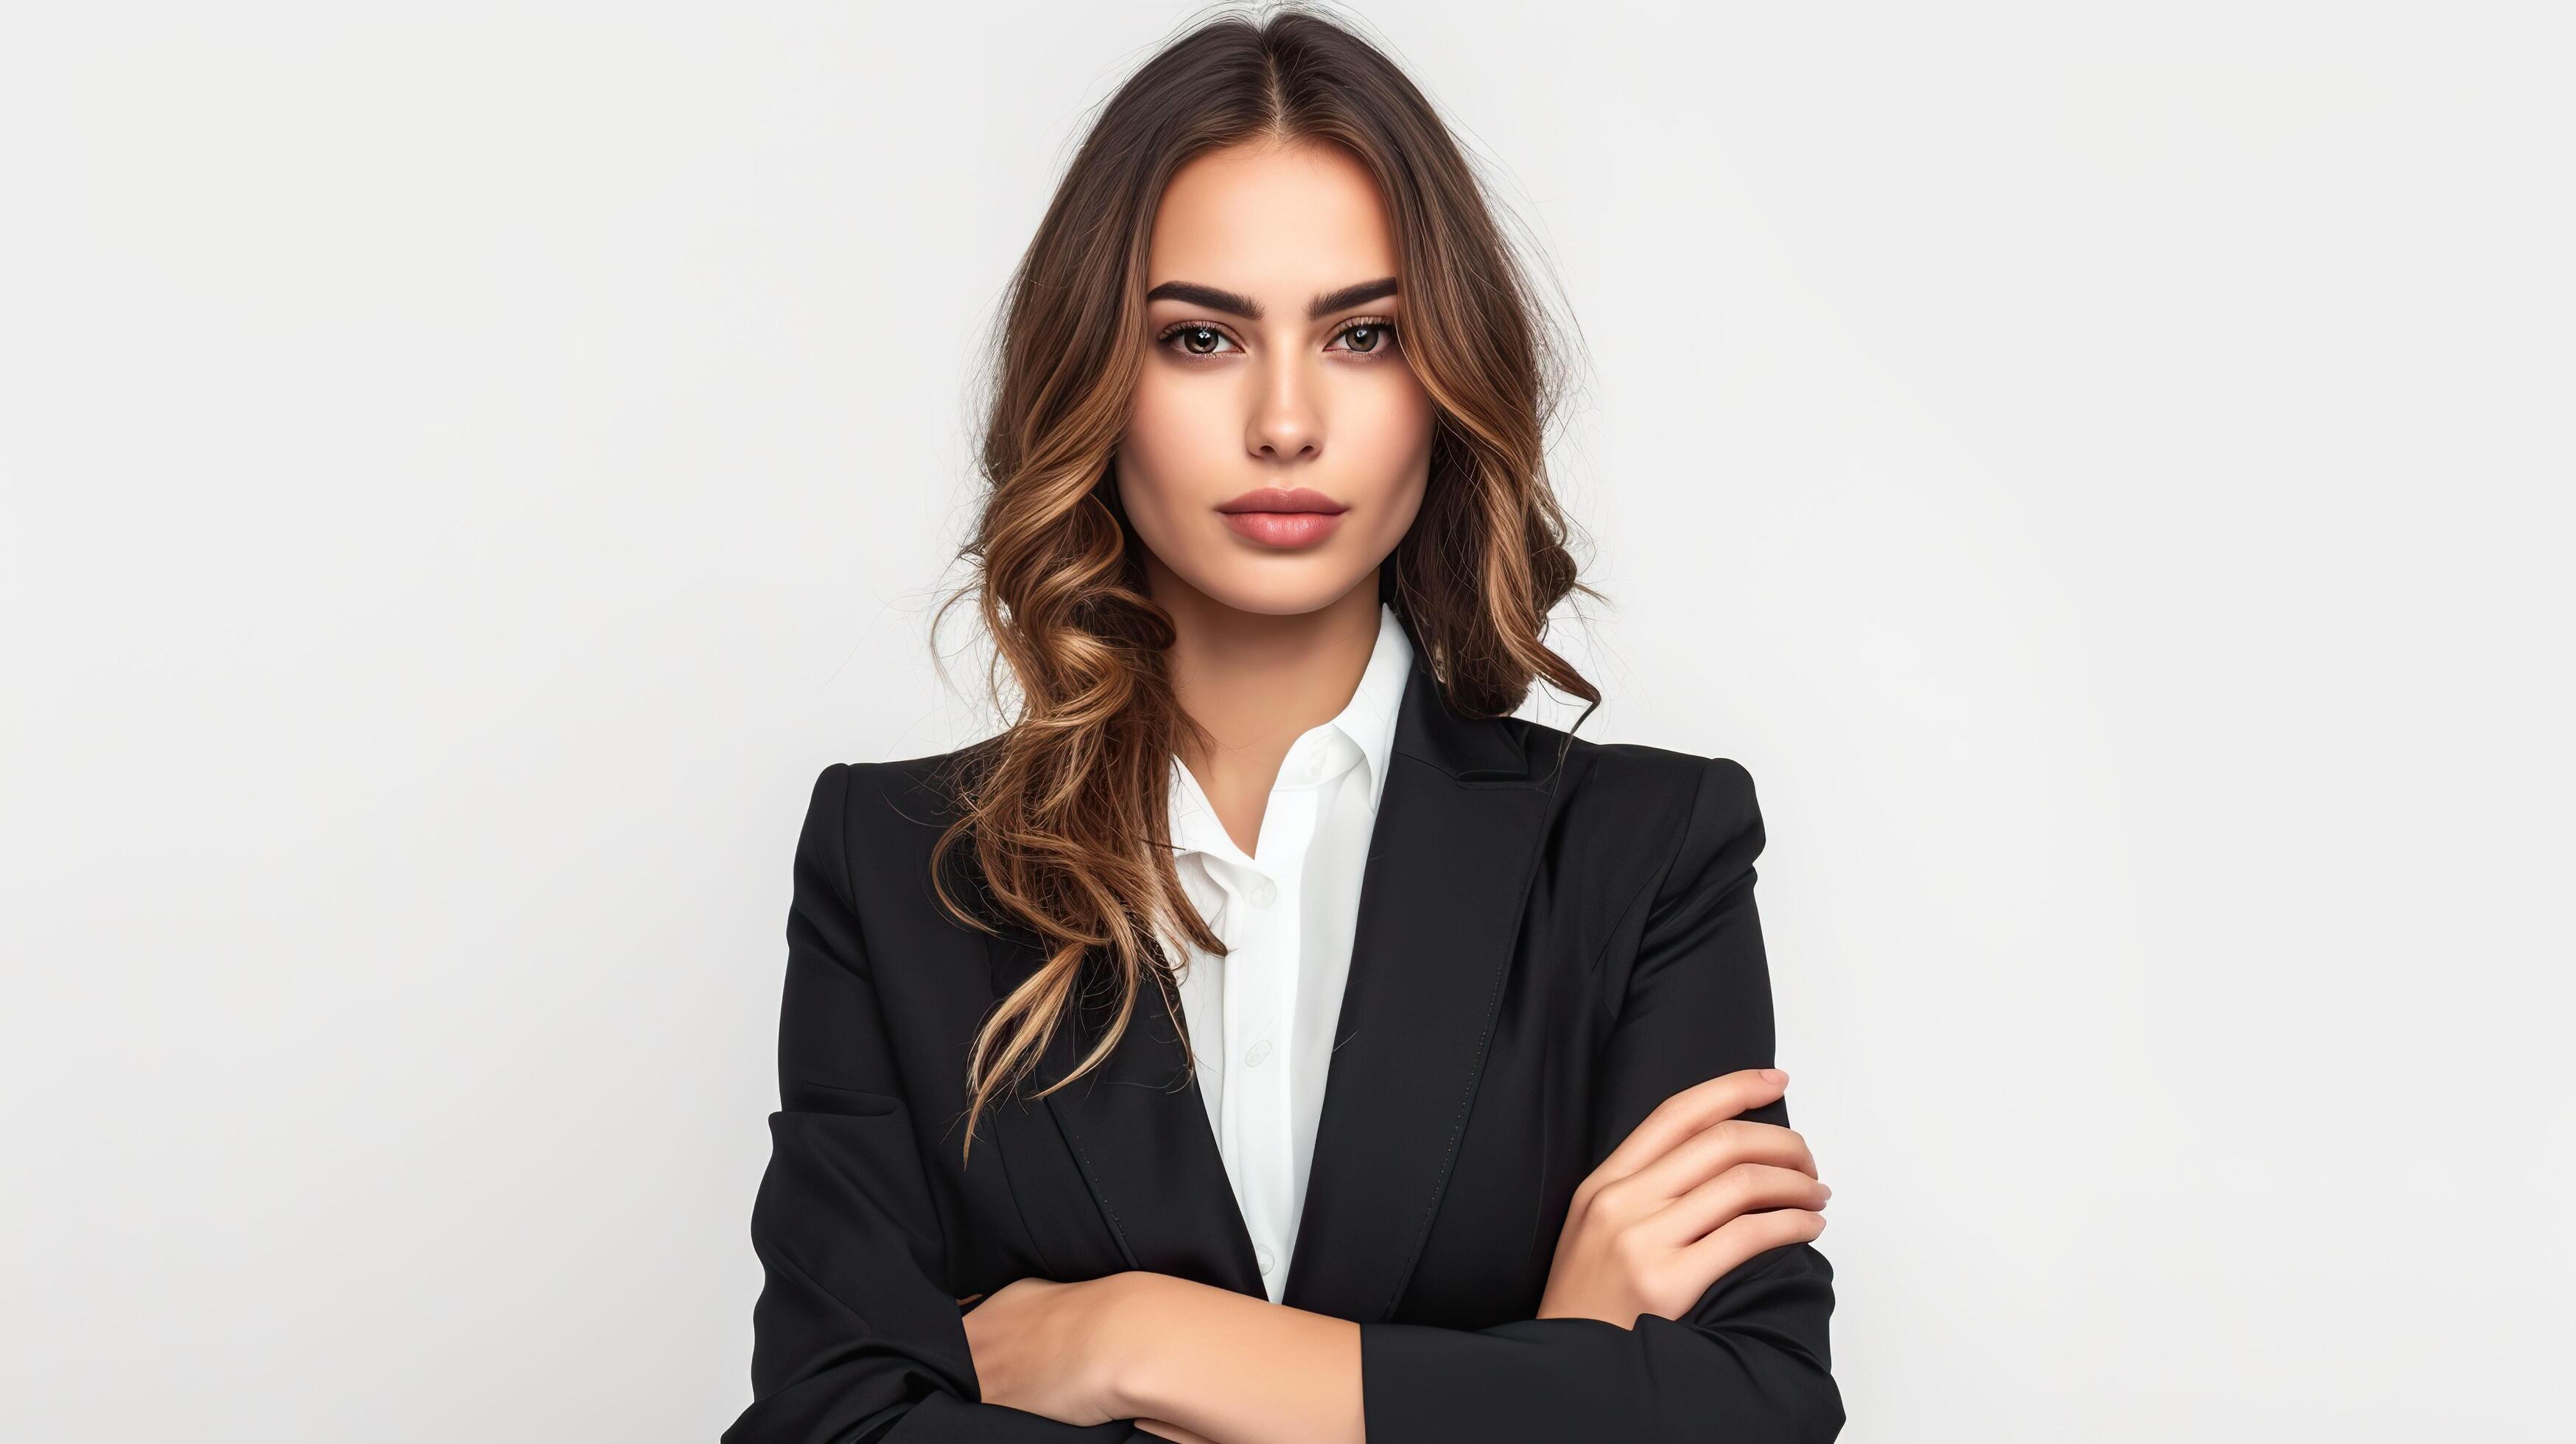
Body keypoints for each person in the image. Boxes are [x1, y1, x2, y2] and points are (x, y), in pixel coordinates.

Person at [724, 8, 1841, 1442]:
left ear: (1444, 379)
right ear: (1096, 380)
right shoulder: (900, 868)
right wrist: (1547, 1370)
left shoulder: (1644, 854)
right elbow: (829, 1425)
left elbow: (1753, 1413)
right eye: (1201, 337)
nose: (1287, 420)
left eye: (1363, 333)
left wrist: (1137, 1339)